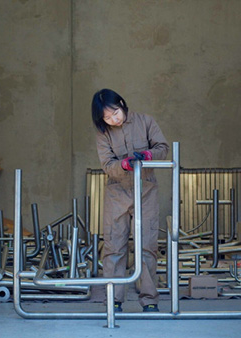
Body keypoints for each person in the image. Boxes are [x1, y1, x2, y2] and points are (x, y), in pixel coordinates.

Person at [91, 88, 169, 312]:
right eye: (107, 118)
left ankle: (150, 300)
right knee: (114, 247)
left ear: (122, 104)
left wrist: (147, 156)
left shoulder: (146, 121)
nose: (113, 120)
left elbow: (162, 148)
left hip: (146, 189)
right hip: (118, 192)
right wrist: (123, 165)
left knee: (147, 247)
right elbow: (107, 164)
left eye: (115, 113)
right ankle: (113, 301)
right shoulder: (103, 133)